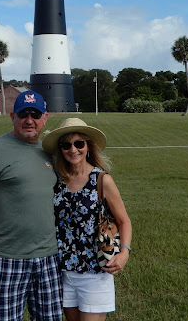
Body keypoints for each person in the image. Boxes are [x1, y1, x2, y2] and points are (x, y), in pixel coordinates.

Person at [0, 90, 63, 321]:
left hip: (49, 259)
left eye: (35, 114)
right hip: (6, 260)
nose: (29, 120)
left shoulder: (51, 153)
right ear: (12, 117)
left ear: (45, 118)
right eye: (23, 114)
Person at [42, 118, 132, 321]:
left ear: (88, 147)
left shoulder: (102, 180)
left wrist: (125, 252)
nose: (73, 149)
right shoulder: (56, 180)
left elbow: (124, 220)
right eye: (66, 145)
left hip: (94, 272)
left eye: (79, 143)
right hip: (63, 270)